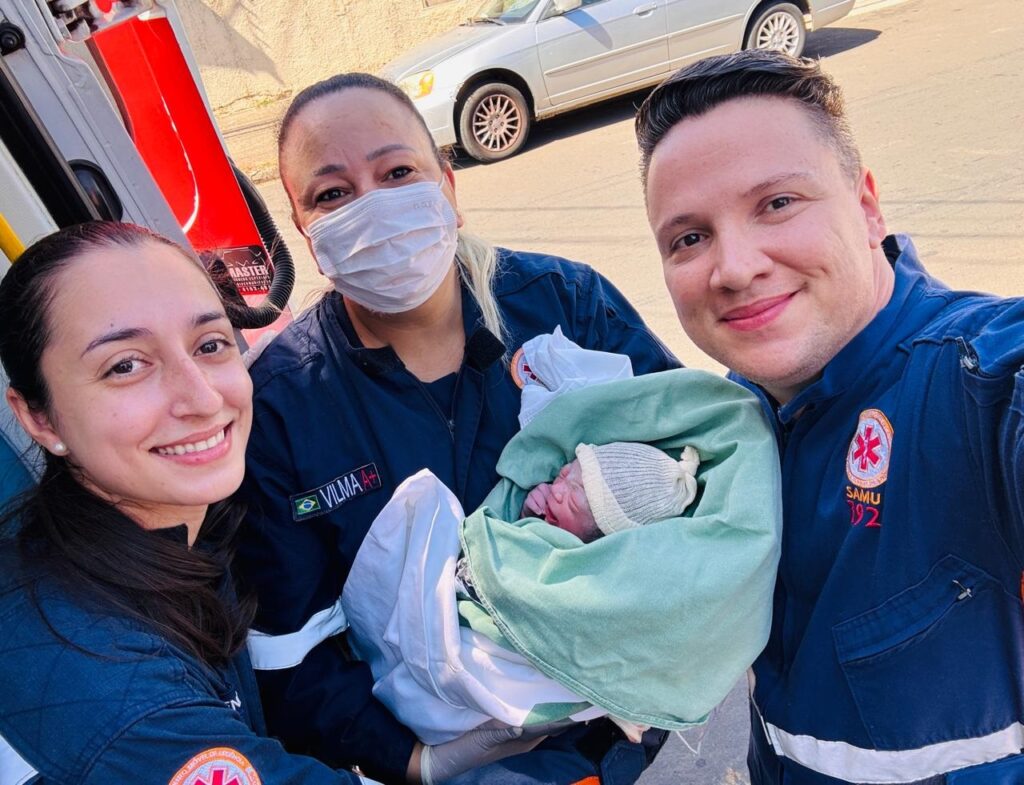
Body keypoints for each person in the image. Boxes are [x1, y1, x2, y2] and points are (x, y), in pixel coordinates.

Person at [235, 72, 678, 785]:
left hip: (615, 727)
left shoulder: (566, 307)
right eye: (333, 193)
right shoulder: (283, 406)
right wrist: (417, 762)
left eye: (397, 171)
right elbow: (292, 649)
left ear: (448, 186)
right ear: (307, 235)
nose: (372, 207)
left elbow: (690, 476)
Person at [636, 50, 1024, 784]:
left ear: (868, 205)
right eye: (689, 237)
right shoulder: (736, 414)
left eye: (777, 202)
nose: (734, 267)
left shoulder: (976, 383)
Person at [0, 222, 369, 785]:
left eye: (210, 345)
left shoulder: (177, 527)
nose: (201, 397)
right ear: (39, 417)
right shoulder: (108, 687)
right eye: (125, 364)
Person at [521, 441, 700, 543]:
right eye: (563, 475)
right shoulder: (547, 509)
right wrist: (528, 516)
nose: (556, 491)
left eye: (572, 503)